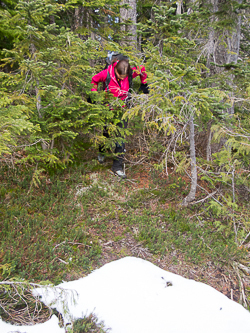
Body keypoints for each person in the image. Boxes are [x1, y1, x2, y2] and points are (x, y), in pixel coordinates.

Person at [90, 56, 148, 178]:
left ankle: (117, 167)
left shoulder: (130, 72)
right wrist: (93, 93)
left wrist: (144, 83)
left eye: (124, 77)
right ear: (115, 69)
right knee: (106, 132)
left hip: (123, 109)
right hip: (108, 107)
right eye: (120, 76)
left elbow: (142, 69)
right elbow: (94, 80)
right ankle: (102, 151)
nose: (122, 79)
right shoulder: (106, 73)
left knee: (120, 138)